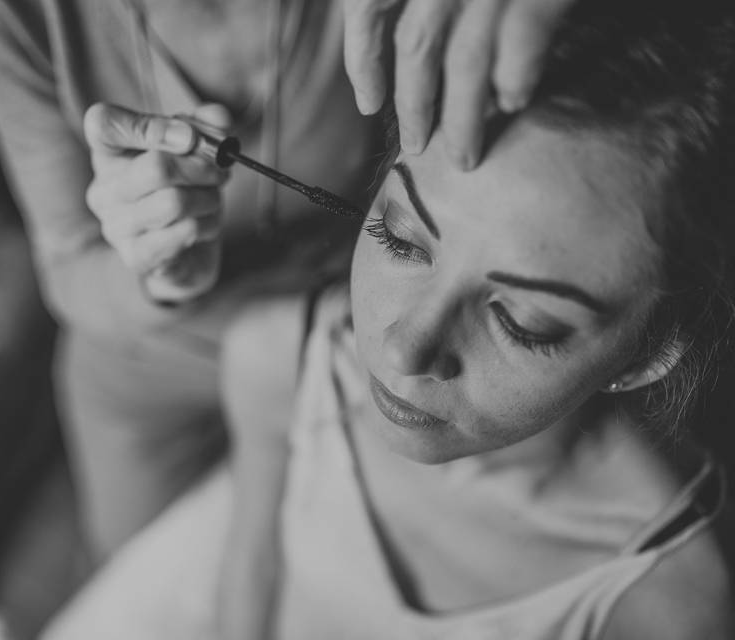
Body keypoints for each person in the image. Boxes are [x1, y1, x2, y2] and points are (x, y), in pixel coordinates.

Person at [40, 1, 735, 638]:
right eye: (400, 239)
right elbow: (247, 594)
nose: (404, 350)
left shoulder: (659, 610)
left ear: (648, 354)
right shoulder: (280, 359)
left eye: (524, 322)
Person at [0, 0, 586, 562]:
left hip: (350, 336)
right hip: (145, 362)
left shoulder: (413, 350)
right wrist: (157, 274)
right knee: (133, 585)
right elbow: (68, 272)